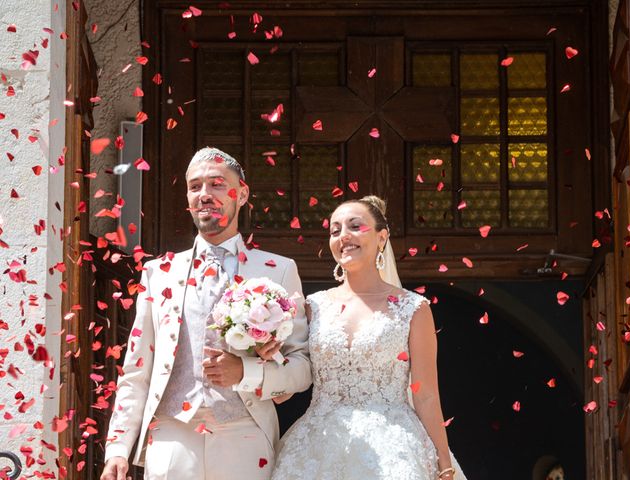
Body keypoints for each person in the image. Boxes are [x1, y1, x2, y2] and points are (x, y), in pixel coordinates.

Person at [100, 147, 312, 480]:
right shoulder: (158, 273)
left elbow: (301, 369)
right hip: (172, 433)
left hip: (245, 432)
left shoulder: (279, 271)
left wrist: (246, 372)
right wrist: (117, 448)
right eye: (195, 186)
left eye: (216, 184)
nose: (204, 194)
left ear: (241, 193)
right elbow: (136, 370)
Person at [267, 195, 467, 480]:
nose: (343, 236)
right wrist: (266, 353)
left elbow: (425, 395)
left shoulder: (413, 308)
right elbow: (286, 389)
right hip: (317, 446)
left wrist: (444, 463)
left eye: (354, 226)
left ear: (381, 237)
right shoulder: (313, 307)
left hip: (394, 447)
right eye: (335, 230)